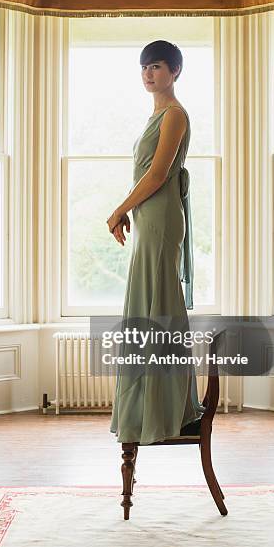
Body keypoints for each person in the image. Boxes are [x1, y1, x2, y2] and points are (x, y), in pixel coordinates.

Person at [106, 40, 205, 446]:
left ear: (175, 72)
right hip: (149, 220)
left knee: (161, 308)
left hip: (161, 220)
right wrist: (130, 211)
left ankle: (173, 411)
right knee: (148, 308)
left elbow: (158, 175)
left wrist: (118, 210)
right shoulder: (156, 114)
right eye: (145, 67)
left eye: (158, 66)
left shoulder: (175, 115)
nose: (149, 74)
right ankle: (151, 409)